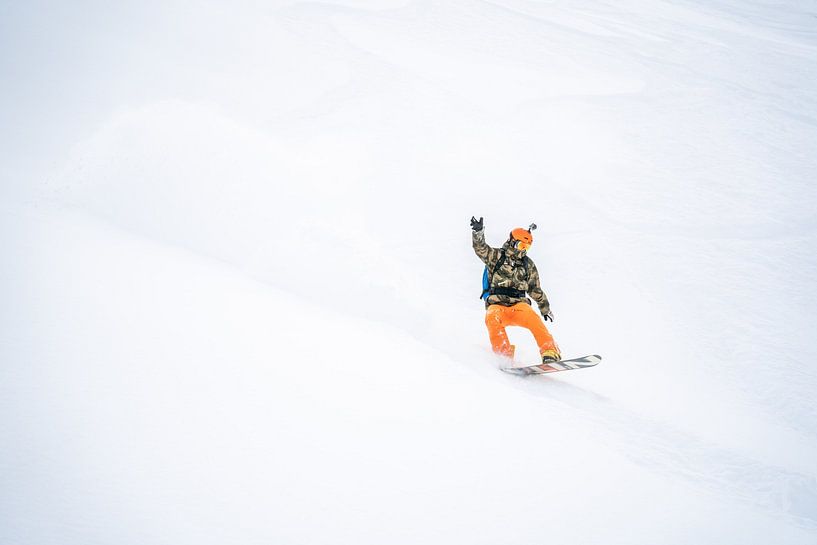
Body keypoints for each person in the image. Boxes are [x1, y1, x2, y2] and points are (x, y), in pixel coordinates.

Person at [470, 216, 561, 363]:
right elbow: (480, 249)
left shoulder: (527, 264)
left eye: (526, 247)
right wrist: (478, 232)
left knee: (533, 318)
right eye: (521, 246)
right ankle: (503, 355)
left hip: (519, 305)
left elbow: (534, 288)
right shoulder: (496, 256)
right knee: (492, 318)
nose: (523, 250)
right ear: (513, 242)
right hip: (497, 304)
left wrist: (545, 308)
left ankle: (550, 351)